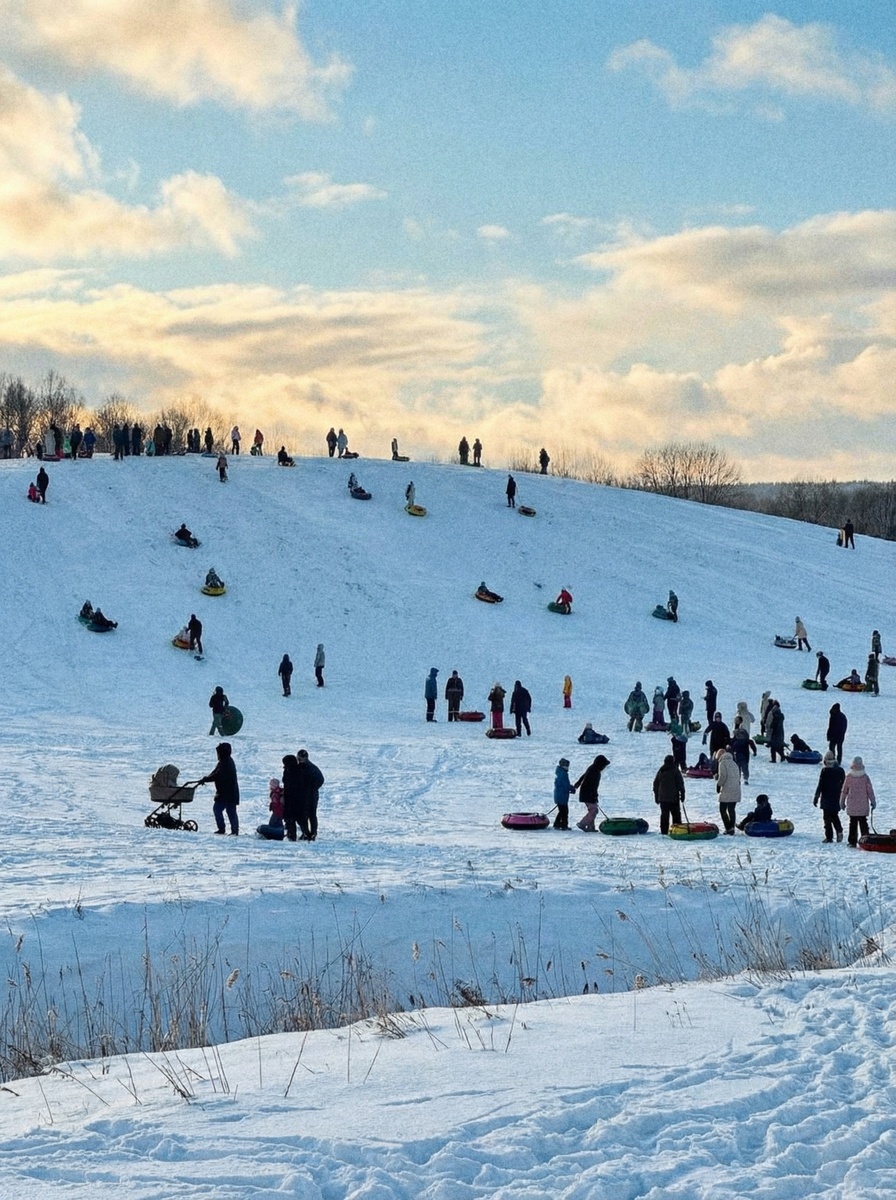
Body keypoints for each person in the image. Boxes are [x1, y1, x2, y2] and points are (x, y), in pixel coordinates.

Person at [198, 741, 239, 835]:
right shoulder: (225, 761)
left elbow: (217, 775)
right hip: (228, 792)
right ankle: (233, 830)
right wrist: (206, 778)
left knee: (219, 809)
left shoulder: (226, 763)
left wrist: (206, 779)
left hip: (227, 793)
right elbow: (215, 772)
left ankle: (225, 829)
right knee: (230, 811)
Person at [284, 748, 325, 841]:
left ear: (305, 758)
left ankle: (313, 833)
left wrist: (311, 788)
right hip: (303, 796)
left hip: (311, 796)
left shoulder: (312, 768)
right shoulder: (299, 767)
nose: (299, 760)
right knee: (304, 815)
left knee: (312, 814)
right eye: (298, 758)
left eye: (300, 759)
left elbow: (320, 780)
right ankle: (306, 833)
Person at [840, 756, 875, 847]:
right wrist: (873, 802)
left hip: (852, 805)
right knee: (863, 822)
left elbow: (844, 791)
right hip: (863, 805)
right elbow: (870, 791)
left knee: (853, 823)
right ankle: (866, 840)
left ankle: (852, 841)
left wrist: (842, 801)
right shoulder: (865, 777)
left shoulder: (849, 777)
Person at [813, 751, 845, 843]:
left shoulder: (825, 771)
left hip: (826, 797)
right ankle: (839, 830)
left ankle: (829, 837)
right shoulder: (840, 770)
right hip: (836, 797)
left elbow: (820, 784)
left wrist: (816, 796)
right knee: (834, 815)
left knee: (827, 818)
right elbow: (844, 784)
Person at [574, 754, 610, 831]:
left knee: (592, 810)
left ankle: (591, 827)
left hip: (586, 793)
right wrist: (594, 795)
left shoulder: (592, 768)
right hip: (587, 794)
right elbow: (593, 786)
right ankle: (582, 823)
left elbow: (583, 776)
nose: (604, 768)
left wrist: (578, 784)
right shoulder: (595, 772)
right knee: (594, 810)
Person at [653, 754, 685, 834]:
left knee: (664, 816)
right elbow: (680, 783)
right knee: (676, 815)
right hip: (673, 798)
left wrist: (656, 797)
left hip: (663, 799)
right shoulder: (675, 770)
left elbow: (655, 784)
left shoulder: (661, 771)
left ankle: (664, 831)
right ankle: (677, 831)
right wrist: (682, 793)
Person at [715, 747, 741, 833]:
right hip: (736, 789)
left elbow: (723, 776)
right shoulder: (734, 763)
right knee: (731, 809)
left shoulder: (723, 763)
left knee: (722, 809)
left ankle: (728, 828)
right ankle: (732, 828)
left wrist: (718, 785)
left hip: (727, 789)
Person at [731, 718, 757, 782]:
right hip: (745, 755)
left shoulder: (735, 740)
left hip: (737, 755)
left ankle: (738, 779)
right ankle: (745, 779)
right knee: (744, 767)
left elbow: (731, 746)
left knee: (738, 767)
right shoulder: (746, 739)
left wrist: (731, 752)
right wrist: (754, 751)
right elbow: (752, 744)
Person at [554, 758, 575, 829]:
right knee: (565, 812)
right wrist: (571, 788)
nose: (568, 767)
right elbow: (565, 785)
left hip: (560, 795)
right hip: (562, 796)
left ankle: (557, 824)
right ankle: (564, 825)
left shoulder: (561, 773)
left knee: (561, 811)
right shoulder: (563, 774)